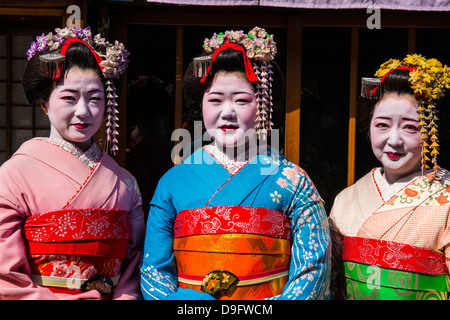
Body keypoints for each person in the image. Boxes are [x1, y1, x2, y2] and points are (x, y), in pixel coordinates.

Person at [140, 27, 331, 300]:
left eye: (242, 100)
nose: (227, 112)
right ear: (200, 106)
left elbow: (313, 271)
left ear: (262, 105)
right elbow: (153, 271)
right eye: (215, 100)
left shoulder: (293, 180)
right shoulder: (174, 181)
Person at [0, 26, 145, 299]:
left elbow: (134, 265)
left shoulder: (125, 181)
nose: (83, 111)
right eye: (69, 97)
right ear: (45, 103)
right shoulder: (13, 175)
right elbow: (5, 278)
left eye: (95, 99)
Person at [329, 54, 450, 300]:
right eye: (382, 125)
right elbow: (332, 282)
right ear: (368, 125)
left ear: (431, 132)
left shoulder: (446, 197)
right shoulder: (346, 199)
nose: (394, 140)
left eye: (410, 127)